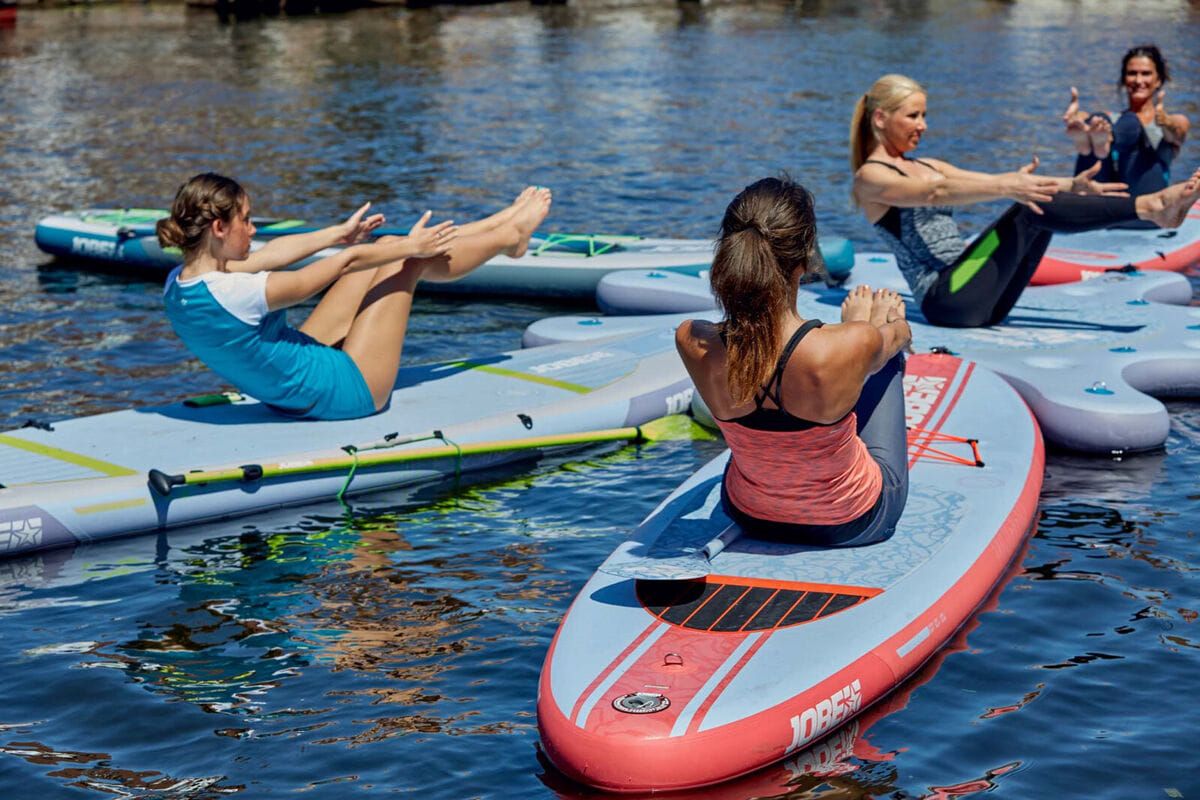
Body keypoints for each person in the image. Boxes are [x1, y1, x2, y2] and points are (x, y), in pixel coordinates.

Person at [157, 173, 551, 420]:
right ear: (219, 228)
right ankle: (509, 237)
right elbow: (346, 264)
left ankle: (497, 224)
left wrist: (336, 234)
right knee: (406, 258)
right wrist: (408, 247)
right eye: (246, 219)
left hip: (288, 394)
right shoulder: (240, 293)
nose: (254, 229)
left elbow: (270, 256)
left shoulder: (180, 283)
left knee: (391, 246)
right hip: (349, 393)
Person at [850, 74, 1200, 328]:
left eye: (924, 115)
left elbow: (995, 182)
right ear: (881, 118)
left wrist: (1071, 185)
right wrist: (1010, 187)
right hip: (945, 299)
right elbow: (934, 193)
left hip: (981, 294)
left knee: (1034, 199)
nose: (923, 125)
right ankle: (1152, 207)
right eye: (913, 116)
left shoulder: (927, 165)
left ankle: (1153, 207)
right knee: (1026, 207)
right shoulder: (871, 178)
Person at [675, 176, 912, 547]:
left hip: (748, 513)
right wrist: (876, 324)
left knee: (852, 356)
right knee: (885, 360)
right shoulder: (850, 344)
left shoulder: (693, 339)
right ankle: (859, 347)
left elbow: (757, 348)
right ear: (804, 260)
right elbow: (901, 335)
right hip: (853, 521)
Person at [1063, 45, 1190, 197]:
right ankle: (1086, 144)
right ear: (1124, 79)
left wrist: (1166, 121)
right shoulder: (1110, 120)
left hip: (1145, 204)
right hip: (1104, 205)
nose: (1138, 80)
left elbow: (1179, 128)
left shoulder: (1170, 122)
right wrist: (1078, 120)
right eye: (1132, 74)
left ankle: (1099, 144)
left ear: (1158, 80)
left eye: (1146, 74)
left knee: (1130, 122)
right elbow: (1089, 118)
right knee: (1098, 119)